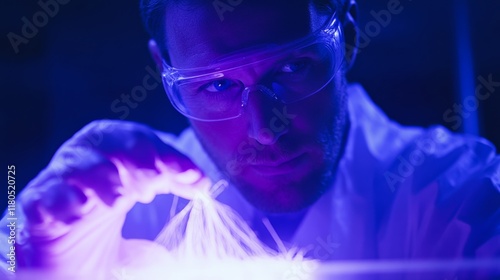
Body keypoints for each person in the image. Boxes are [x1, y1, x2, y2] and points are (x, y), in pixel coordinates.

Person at [1, 0, 499, 278]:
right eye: (215, 85)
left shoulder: (462, 194)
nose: (264, 128)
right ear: (164, 69)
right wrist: (22, 263)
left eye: (293, 66)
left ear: (345, 36)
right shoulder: (117, 214)